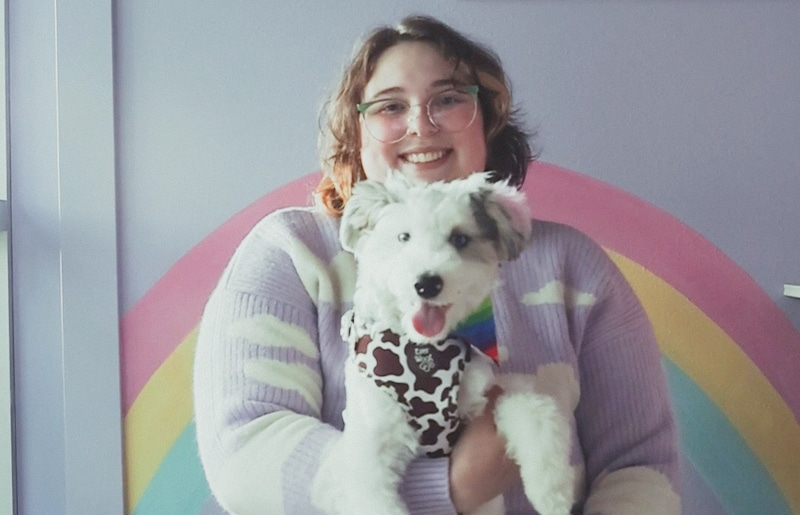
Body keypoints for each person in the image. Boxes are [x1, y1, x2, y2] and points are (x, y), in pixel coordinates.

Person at [193, 15, 681, 514]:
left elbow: (640, 466)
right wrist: (452, 486)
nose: (420, 124)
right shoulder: (291, 252)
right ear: (356, 130)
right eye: (390, 106)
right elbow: (246, 456)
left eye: (447, 99)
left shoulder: (576, 269)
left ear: (486, 119)